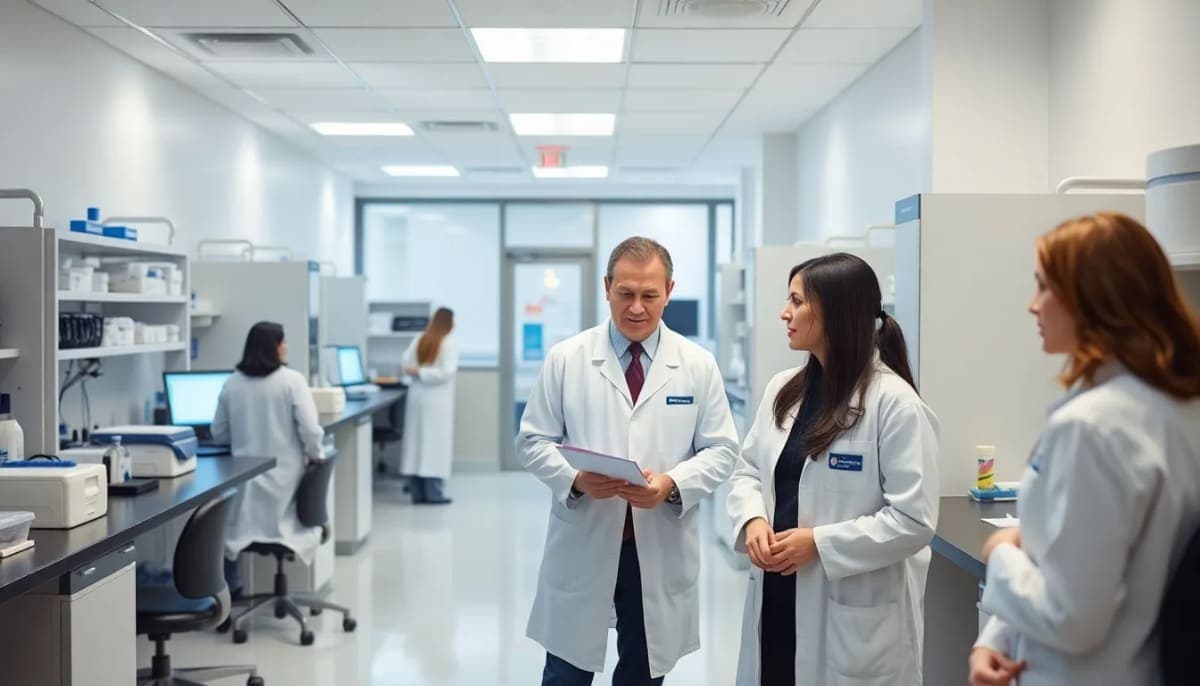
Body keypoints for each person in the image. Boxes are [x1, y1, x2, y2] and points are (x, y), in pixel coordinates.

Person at [970, 212, 1200, 686]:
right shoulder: (1173, 405)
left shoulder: (1094, 427)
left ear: (1095, 299)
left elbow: (1070, 616)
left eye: (1044, 287)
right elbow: (1072, 561)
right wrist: (995, 637)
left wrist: (997, 552)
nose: (1033, 306)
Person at [519, 236, 739, 685]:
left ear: (669, 290)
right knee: (566, 670)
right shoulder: (568, 358)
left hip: (655, 544)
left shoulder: (697, 364)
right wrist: (575, 478)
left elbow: (722, 450)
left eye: (649, 295)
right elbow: (532, 441)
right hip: (586, 535)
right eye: (625, 294)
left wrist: (671, 485)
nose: (636, 307)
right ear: (606, 288)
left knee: (643, 670)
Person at [727, 252, 940, 686]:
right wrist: (751, 519)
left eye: (797, 301)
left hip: (849, 609)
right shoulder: (782, 390)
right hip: (777, 595)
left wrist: (820, 545)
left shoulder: (894, 404)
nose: (784, 313)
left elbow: (913, 520)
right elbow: (749, 470)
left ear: (836, 312)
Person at [213, 321, 326, 596]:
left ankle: (231, 591)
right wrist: (317, 457)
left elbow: (218, 434)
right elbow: (311, 430)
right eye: (283, 342)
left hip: (247, 491)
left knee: (226, 527)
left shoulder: (232, 383)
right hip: (286, 488)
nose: (285, 347)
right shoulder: (292, 381)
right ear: (273, 347)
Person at [400, 307, 458, 505]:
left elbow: (405, 363)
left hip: (418, 397)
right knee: (433, 448)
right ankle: (434, 494)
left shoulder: (420, 338)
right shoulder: (448, 343)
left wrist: (418, 372)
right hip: (436, 401)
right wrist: (423, 372)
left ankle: (417, 493)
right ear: (449, 323)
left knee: (417, 447)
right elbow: (447, 372)